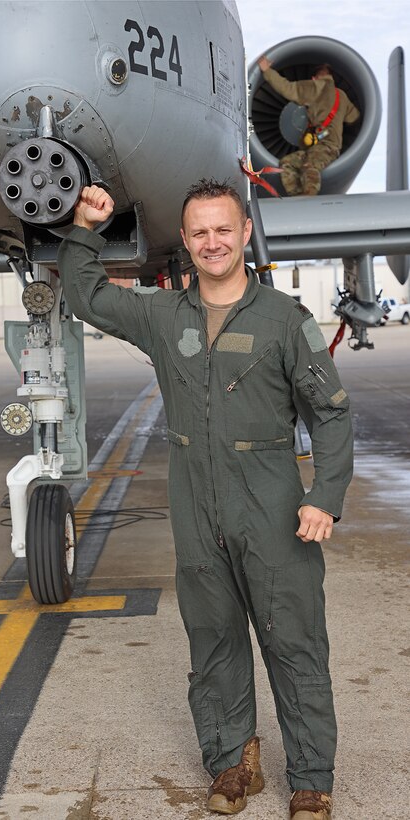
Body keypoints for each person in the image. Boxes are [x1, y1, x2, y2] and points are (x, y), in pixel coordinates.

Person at [57, 180, 353, 819]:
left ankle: (310, 778)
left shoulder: (285, 320)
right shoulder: (164, 317)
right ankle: (231, 763)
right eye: (199, 233)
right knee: (213, 639)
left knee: (294, 641)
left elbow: (331, 416)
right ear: (186, 243)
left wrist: (323, 496)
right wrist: (85, 225)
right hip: (197, 507)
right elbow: (86, 294)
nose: (213, 242)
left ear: (245, 233)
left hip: (273, 503)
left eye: (224, 229)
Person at [258, 56, 360, 196]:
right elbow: (353, 117)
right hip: (322, 147)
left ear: (314, 78)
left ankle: (309, 200)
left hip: (326, 147)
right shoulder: (341, 95)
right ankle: (297, 199)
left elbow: (287, 88)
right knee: (287, 162)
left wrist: (267, 71)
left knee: (309, 166)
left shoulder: (315, 88)